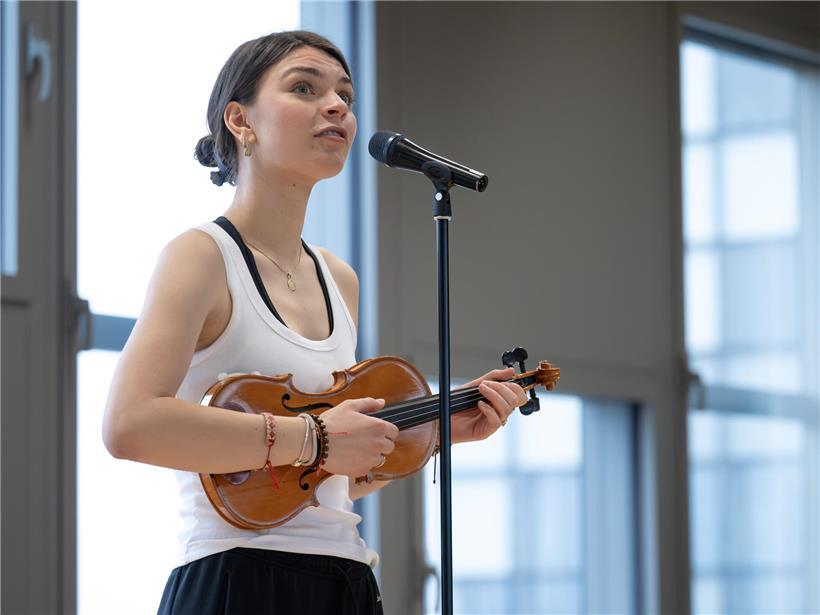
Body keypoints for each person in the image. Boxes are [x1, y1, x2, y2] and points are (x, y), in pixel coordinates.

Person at [102, 30, 527, 615]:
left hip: (345, 581)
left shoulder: (339, 278)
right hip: (236, 577)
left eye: (345, 97)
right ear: (239, 120)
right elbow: (128, 425)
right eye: (305, 88)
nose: (337, 107)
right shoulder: (200, 256)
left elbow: (323, 482)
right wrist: (318, 435)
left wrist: (433, 436)